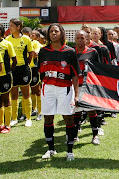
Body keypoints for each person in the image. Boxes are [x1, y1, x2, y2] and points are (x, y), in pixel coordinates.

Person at [38, 23, 80, 161]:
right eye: (51, 32)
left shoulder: (70, 52)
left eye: (56, 31)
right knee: (48, 117)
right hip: (48, 89)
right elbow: (39, 73)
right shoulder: (43, 51)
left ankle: (69, 151)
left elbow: (75, 75)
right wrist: (40, 87)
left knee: (68, 118)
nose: (54, 33)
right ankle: (51, 149)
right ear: (48, 34)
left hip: (65, 88)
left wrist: (76, 94)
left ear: (61, 33)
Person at [73, 30, 101, 144]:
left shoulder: (93, 52)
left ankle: (95, 135)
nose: (80, 40)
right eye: (78, 38)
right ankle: (74, 135)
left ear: (86, 39)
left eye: (82, 38)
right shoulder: (70, 52)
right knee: (76, 111)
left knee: (91, 110)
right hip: (75, 86)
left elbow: (98, 68)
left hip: (88, 86)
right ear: (74, 40)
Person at [0, 24, 17, 134]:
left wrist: (9, 71)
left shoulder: (7, 44)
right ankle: (0, 124)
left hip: (5, 76)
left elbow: (14, 60)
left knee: (6, 98)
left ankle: (7, 124)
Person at [6, 18, 33, 127]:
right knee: (14, 95)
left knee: (26, 94)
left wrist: (26, 64)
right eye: (9, 25)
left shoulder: (26, 39)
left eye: (12, 26)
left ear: (18, 27)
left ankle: (28, 118)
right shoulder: (7, 39)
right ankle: (14, 118)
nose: (10, 28)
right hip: (13, 69)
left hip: (23, 69)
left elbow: (30, 54)